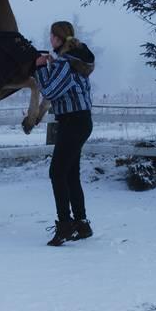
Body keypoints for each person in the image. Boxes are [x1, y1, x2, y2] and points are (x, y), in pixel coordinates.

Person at [34, 21, 95, 246]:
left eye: (51, 35)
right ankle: (81, 224)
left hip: (73, 123)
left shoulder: (65, 63)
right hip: (79, 121)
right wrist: (49, 66)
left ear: (57, 38)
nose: (50, 39)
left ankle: (65, 226)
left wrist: (40, 67)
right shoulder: (76, 61)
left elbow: (50, 91)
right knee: (70, 174)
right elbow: (59, 89)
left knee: (57, 173)